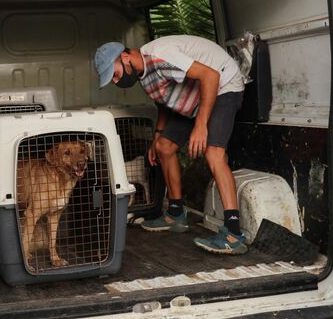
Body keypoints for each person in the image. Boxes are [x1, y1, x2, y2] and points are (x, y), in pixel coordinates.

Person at [94, 35, 248, 254]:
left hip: (223, 85)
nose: (116, 82)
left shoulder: (160, 56)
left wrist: (201, 126)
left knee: (214, 154)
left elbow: (210, 76)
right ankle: (176, 214)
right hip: (196, 96)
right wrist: (158, 135)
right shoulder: (144, 74)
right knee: (164, 147)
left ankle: (233, 233)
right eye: (112, 80)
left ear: (125, 56)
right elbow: (165, 102)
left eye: (115, 74)